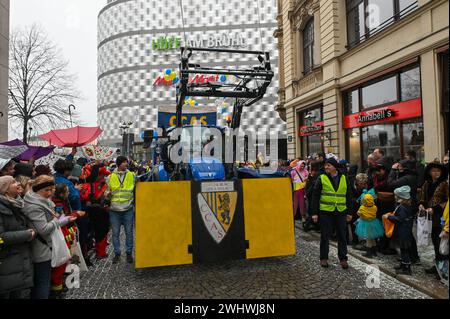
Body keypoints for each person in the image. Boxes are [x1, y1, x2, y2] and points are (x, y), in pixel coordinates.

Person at [22, 175, 77, 299]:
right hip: (42, 250)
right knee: (43, 282)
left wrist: (66, 220)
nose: (50, 192)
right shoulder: (34, 205)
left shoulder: (41, 200)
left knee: (46, 280)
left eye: (51, 189)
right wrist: (57, 220)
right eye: (46, 190)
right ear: (37, 190)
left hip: (47, 246)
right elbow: (44, 229)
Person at [312, 157, 353, 269]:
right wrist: (314, 213)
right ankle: (324, 258)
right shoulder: (322, 178)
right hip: (326, 211)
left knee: (342, 236)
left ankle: (343, 259)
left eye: (328, 165)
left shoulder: (344, 178)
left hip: (340, 211)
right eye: (325, 165)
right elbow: (315, 196)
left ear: (334, 167)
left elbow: (349, 196)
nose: (326, 167)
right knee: (325, 236)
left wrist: (350, 212)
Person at [0, 176, 35, 299]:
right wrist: (26, 234)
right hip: (8, 261)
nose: (18, 183)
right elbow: (1, 237)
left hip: (20, 258)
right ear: (5, 189)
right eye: (13, 182)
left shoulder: (17, 204)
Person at [53, 159, 89, 265]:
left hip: (62, 214)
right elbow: (75, 197)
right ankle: (81, 259)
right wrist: (76, 189)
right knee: (77, 236)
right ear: (66, 171)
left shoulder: (54, 177)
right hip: (72, 213)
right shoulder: (66, 182)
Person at [419, 161, 449, 277]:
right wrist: (421, 204)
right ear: (429, 172)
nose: (436, 173)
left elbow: (447, 201)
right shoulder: (427, 183)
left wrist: (435, 209)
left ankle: (442, 269)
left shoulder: (445, 184)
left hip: (440, 216)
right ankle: (437, 265)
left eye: (438, 171)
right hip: (429, 216)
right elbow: (422, 196)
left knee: (441, 242)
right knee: (434, 242)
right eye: (433, 171)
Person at [387, 159, 420, 263]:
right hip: (409, 205)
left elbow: (391, 184)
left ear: (406, 168)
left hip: (406, 206)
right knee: (407, 232)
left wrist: (392, 171)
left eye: (400, 166)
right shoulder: (410, 176)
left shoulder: (407, 178)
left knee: (405, 233)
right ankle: (411, 256)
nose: (398, 168)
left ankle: (410, 258)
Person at [106, 156, 136, 264]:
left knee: (129, 232)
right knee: (115, 233)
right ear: (119, 164)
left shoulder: (132, 175)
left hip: (128, 208)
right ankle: (117, 254)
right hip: (114, 210)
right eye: (124, 162)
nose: (126, 164)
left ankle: (129, 253)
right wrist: (107, 195)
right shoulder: (110, 177)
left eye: (126, 162)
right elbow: (106, 193)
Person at [81, 165, 111, 259]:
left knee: (97, 232)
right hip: (97, 212)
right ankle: (99, 253)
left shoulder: (88, 184)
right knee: (100, 232)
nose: (103, 177)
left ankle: (99, 252)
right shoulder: (91, 184)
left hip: (92, 212)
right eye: (101, 175)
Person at [383, 186, 415, 276]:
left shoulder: (402, 207)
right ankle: (403, 264)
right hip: (404, 231)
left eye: (396, 196)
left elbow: (400, 219)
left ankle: (406, 268)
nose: (395, 197)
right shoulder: (405, 206)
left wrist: (389, 217)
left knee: (404, 250)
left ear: (400, 197)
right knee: (403, 249)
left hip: (403, 232)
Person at [355, 194, 385, 258]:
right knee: (372, 238)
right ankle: (374, 251)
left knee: (368, 238)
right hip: (374, 223)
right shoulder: (375, 207)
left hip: (365, 223)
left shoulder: (362, 207)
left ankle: (369, 253)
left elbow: (358, 213)